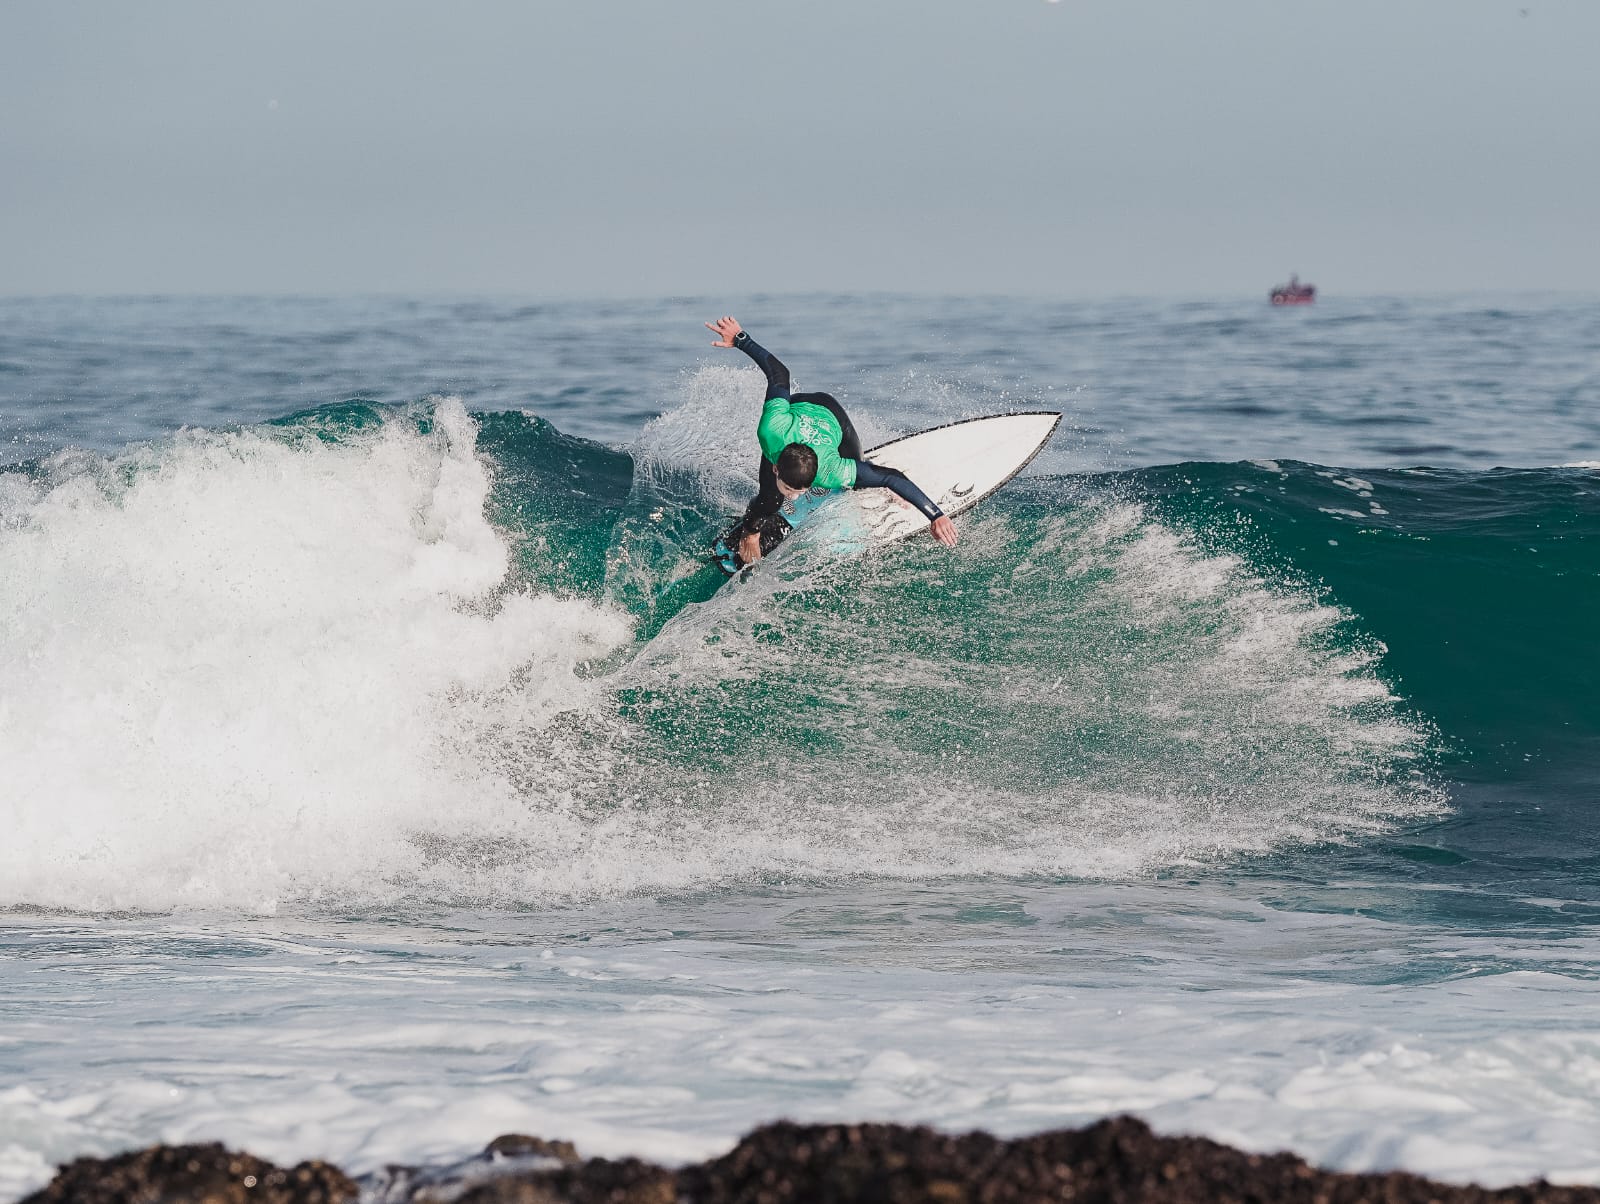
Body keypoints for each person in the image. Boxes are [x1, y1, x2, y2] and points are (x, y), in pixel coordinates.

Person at [706, 315, 958, 568]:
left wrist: (935, 515)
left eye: (799, 492)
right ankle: (750, 532)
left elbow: (890, 476)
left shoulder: (833, 470)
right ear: (776, 467)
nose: (793, 499)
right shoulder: (773, 431)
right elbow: (780, 374)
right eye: (791, 490)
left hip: (830, 414)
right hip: (798, 410)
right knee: (770, 497)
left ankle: (863, 476)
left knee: (857, 469)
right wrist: (741, 339)